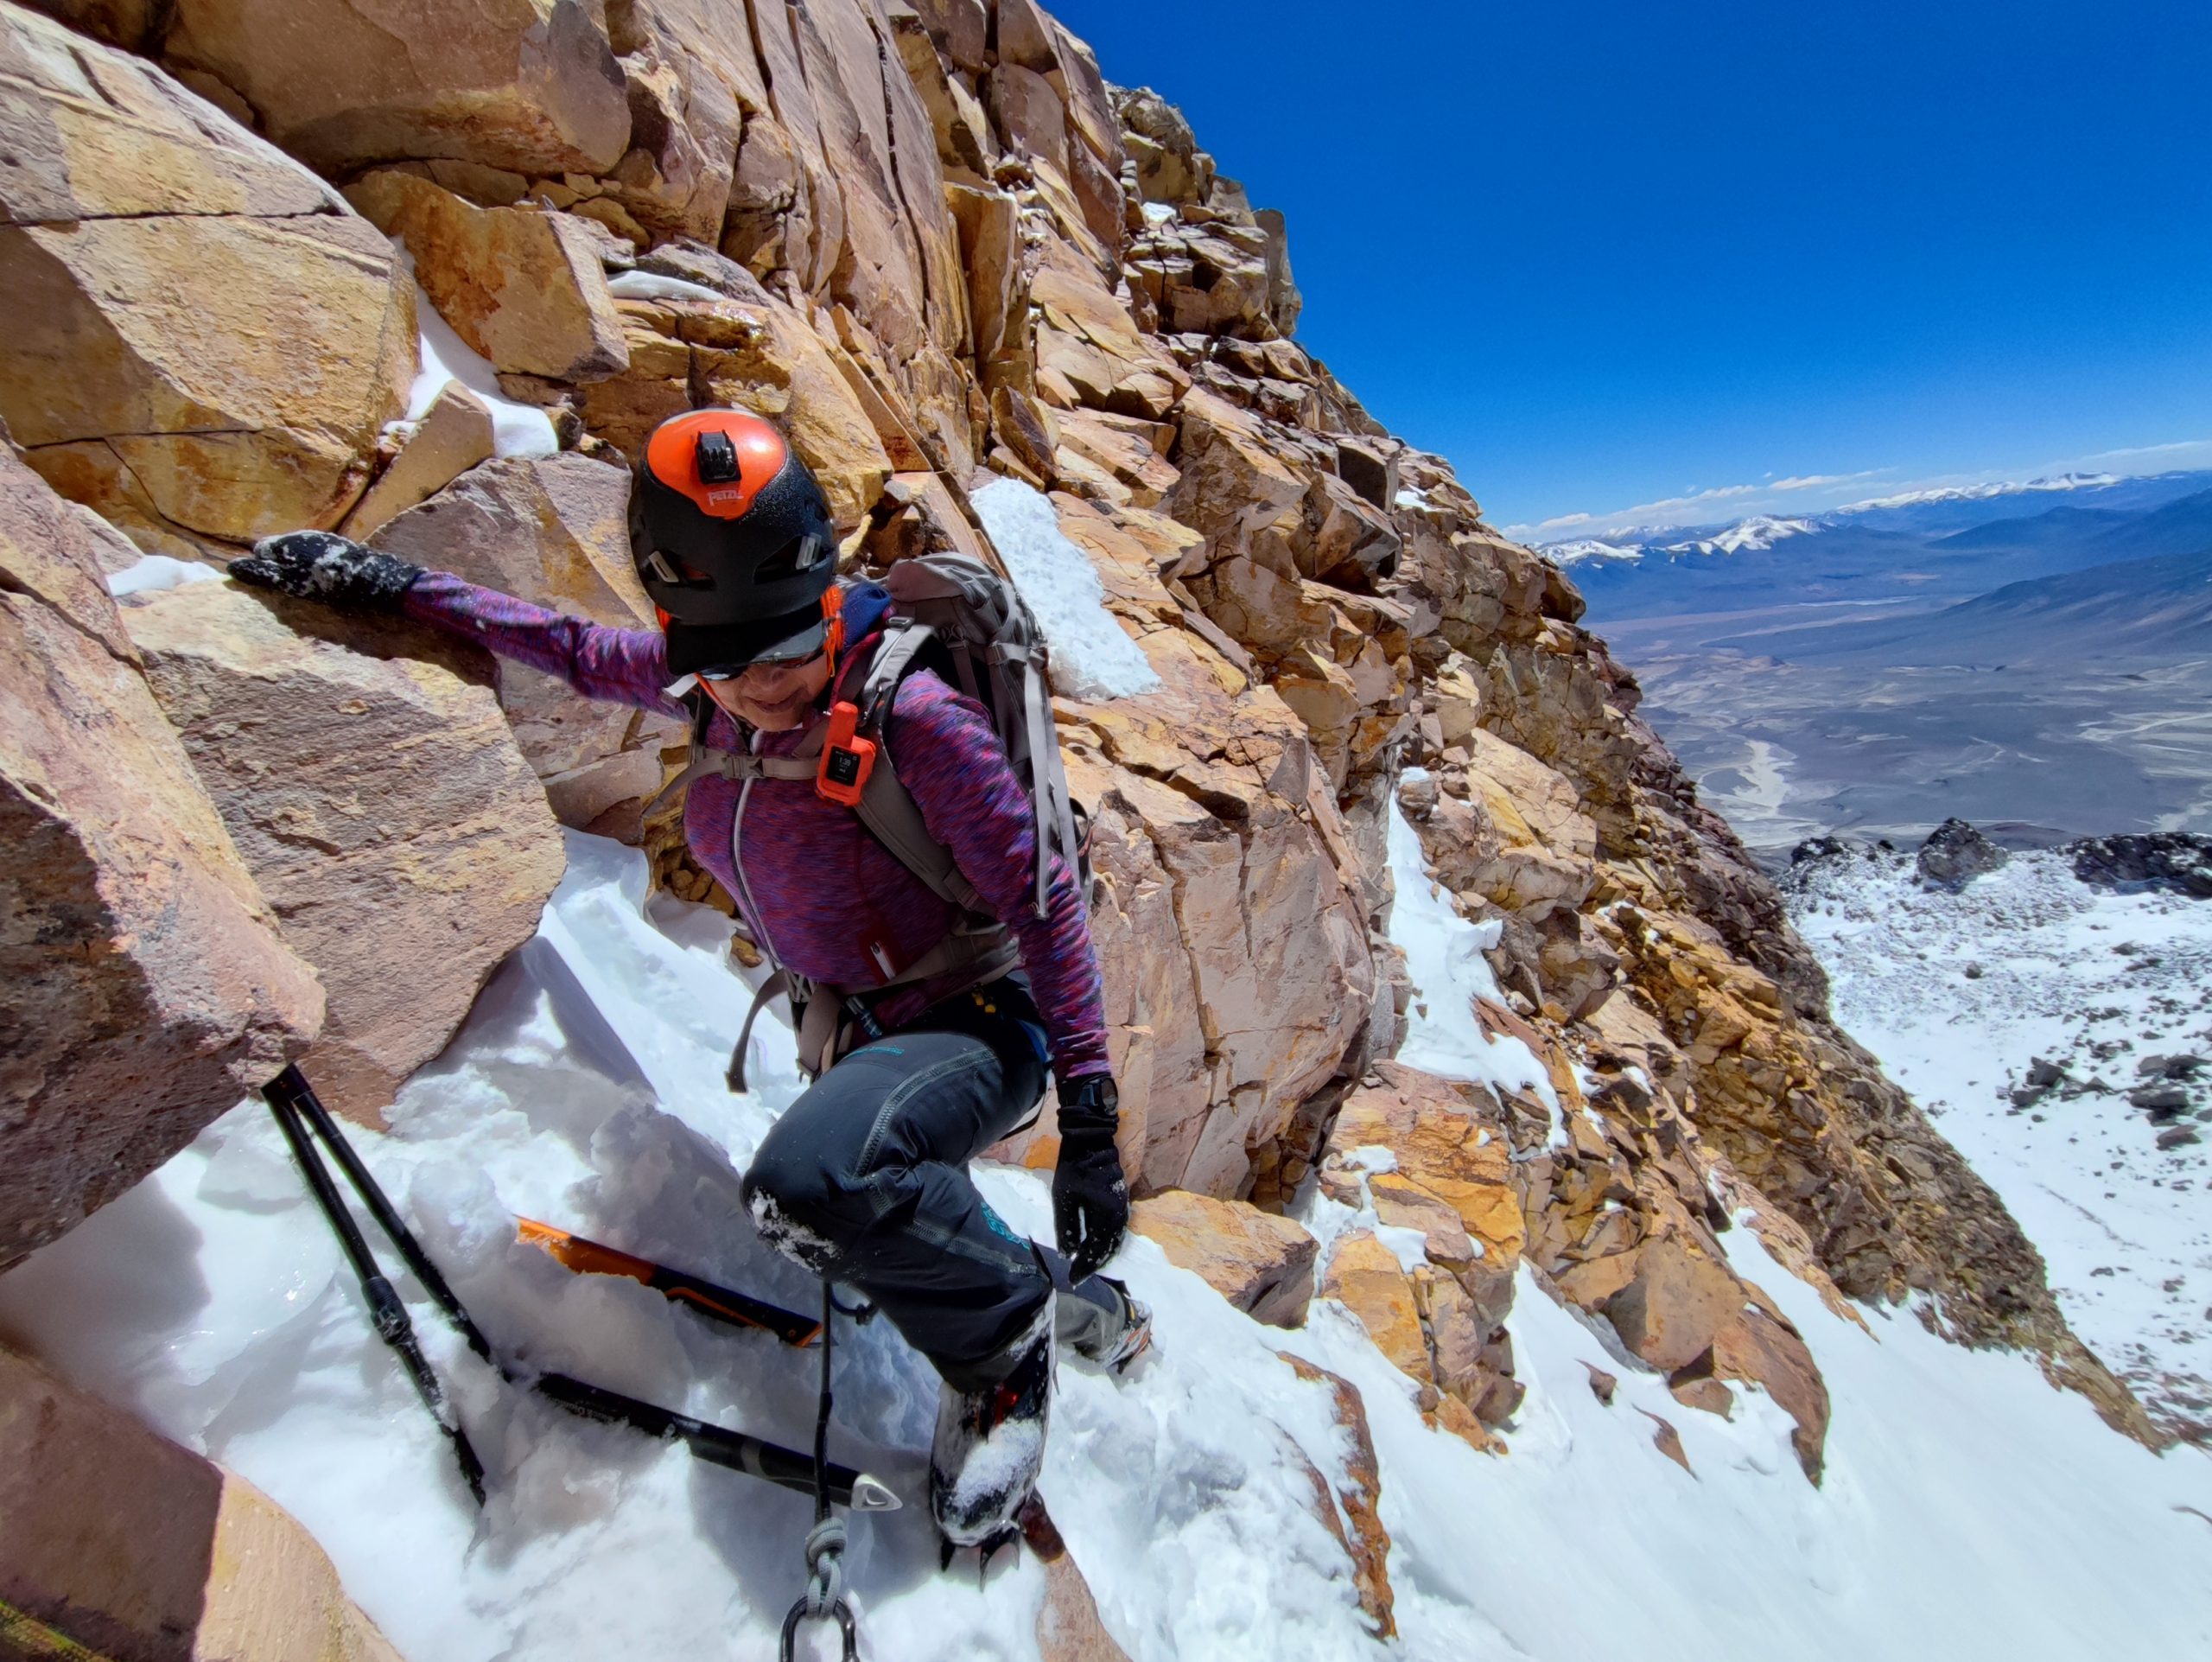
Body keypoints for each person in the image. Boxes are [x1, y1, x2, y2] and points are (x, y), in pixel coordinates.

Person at [230, 408, 1147, 1551]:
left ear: (826, 603)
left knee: (814, 1190)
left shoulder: (917, 718)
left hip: (976, 1022)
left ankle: (1004, 1354)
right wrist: (392, 586)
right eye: (719, 663)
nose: (759, 687)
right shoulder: (706, 686)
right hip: (856, 1032)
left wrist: (1091, 1118)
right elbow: (566, 645)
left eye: (788, 650)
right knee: (866, 1207)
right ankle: (1087, 1308)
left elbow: (1046, 903)